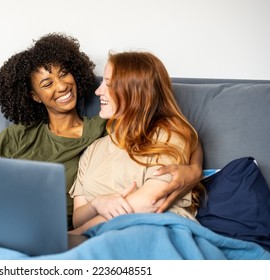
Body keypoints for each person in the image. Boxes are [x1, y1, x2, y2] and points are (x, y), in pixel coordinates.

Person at [0, 33, 202, 234]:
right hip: (3, 216)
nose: (61, 86)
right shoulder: (16, 137)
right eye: (47, 82)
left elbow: (165, 128)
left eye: (64, 74)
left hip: (56, 228)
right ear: (35, 96)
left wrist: (193, 171)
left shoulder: (103, 129)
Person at [69, 51, 205, 234]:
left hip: (153, 229)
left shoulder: (167, 136)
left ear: (135, 92)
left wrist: (75, 236)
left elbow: (149, 201)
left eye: (108, 84)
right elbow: (78, 218)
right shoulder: (94, 149)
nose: (98, 91)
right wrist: (97, 204)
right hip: (101, 237)